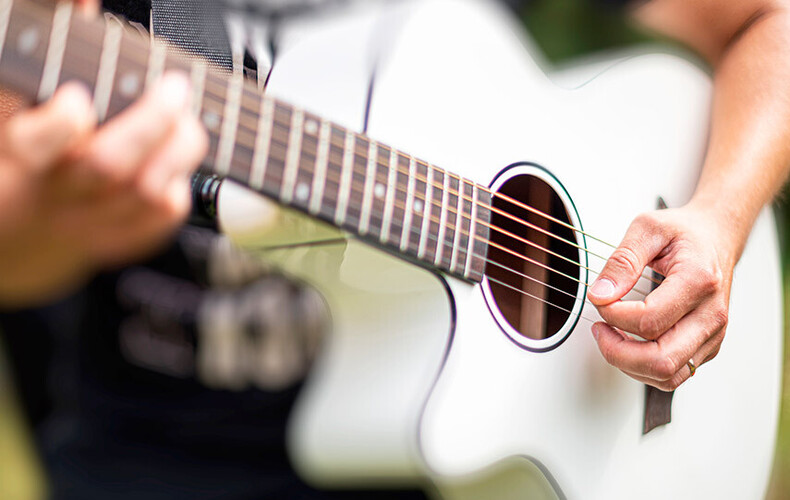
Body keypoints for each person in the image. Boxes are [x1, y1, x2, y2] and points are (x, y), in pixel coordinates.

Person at [1, 0, 790, 497]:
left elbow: (768, 23)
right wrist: (69, 219)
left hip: (469, 458)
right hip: (159, 449)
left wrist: (720, 216)